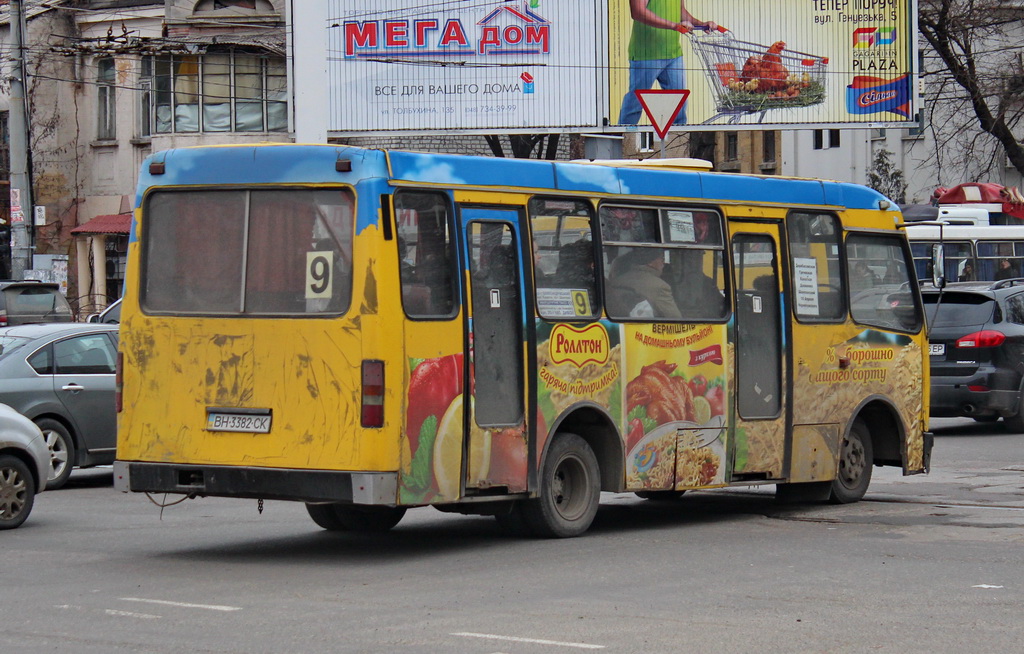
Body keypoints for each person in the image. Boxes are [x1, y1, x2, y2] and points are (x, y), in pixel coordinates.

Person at [619, 0, 718, 126]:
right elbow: (638, 12)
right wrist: (674, 26)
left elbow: (680, 11)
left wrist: (701, 24)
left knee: (678, 108)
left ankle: (678, 143)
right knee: (635, 104)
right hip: (647, 54)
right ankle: (621, 140)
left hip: (673, 54)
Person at [606, 248, 682, 319]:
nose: (663, 262)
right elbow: (675, 319)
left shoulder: (617, 281)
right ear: (650, 262)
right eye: (661, 258)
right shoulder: (660, 287)